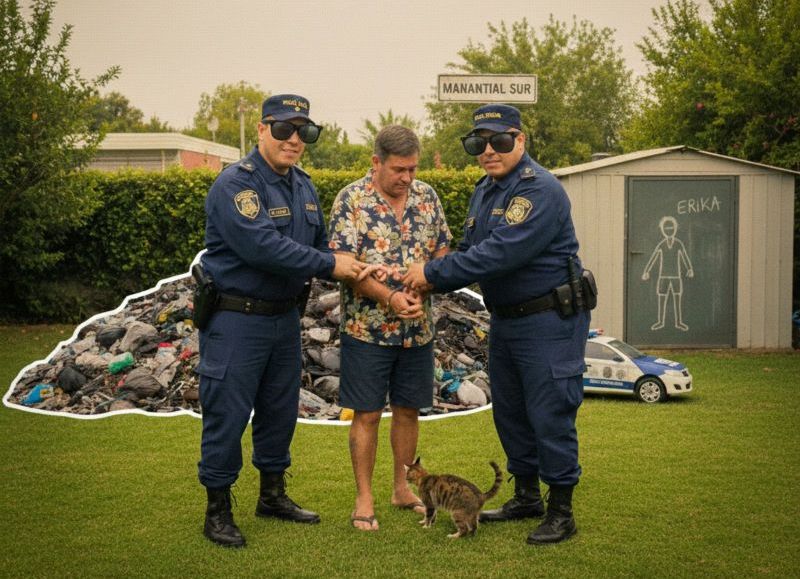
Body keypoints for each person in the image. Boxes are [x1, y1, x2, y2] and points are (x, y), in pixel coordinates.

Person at [402, 104, 592, 545]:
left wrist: (428, 276)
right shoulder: (485, 191)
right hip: (506, 319)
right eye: (478, 143)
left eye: (500, 140)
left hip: (548, 320)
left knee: (550, 411)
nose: (488, 150)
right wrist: (423, 274)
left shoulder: (539, 190)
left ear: (520, 141)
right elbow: (468, 248)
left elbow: (499, 253)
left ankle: (561, 509)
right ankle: (526, 496)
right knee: (510, 412)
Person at [196, 94, 368, 548]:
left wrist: (363, 266)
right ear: (261, 130)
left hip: (282, 320)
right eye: (284, 129)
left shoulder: (303, 186)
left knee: (278, 411)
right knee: (227, 413)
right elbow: (264, 248)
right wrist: (334, 266)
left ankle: (272, 495)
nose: (294, 140)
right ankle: (218, 509)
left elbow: (321, 245)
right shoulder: (237, 184)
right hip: (237, 319)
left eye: (304, 132)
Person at [328, 125, 452, 531]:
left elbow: (442, 251)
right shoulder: (351, 200)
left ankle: (402, 487)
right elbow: (344, 267)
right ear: (376, 162)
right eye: (399, 169)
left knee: (408, 411)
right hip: (367, 330)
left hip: (418, 330)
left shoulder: (428, 197)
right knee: (366, 414)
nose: (407, 178)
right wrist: (390, 298)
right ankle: (364, 498)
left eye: (413, 169)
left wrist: (425, 284)